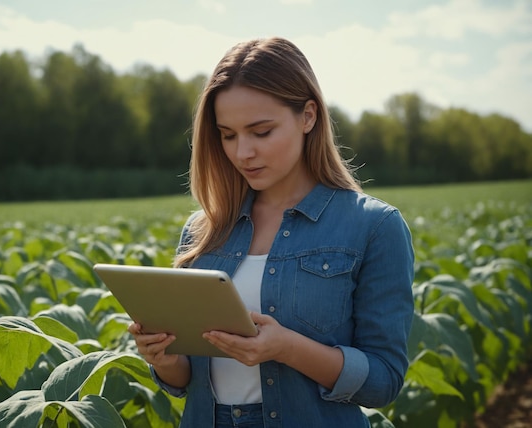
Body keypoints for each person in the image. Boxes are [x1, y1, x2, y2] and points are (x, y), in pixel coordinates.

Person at [128, 37, 415, 427]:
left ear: (308, 116)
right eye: (228, 135)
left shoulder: (374, 227)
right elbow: (188, 380)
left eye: (261, 132)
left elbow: (383, 381)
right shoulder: (204, 230)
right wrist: (163, 358)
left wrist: (286, 348)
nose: (242, 152)